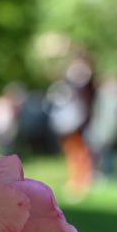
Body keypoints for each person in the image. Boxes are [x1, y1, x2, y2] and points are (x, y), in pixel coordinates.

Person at [46, 53, 95, 196]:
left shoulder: (79, 79)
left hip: (76, 121)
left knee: (79, 151)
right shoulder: (70, 83)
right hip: (72, 121)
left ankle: (80, 180)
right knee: (72, 151)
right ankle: (76, 179)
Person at [86, 73, 117, 179]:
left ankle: (108, 172)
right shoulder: (103, 94)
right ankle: (100, 171)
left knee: (109, 152)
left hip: (111, 129)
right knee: (101, 152)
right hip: (103, 128)